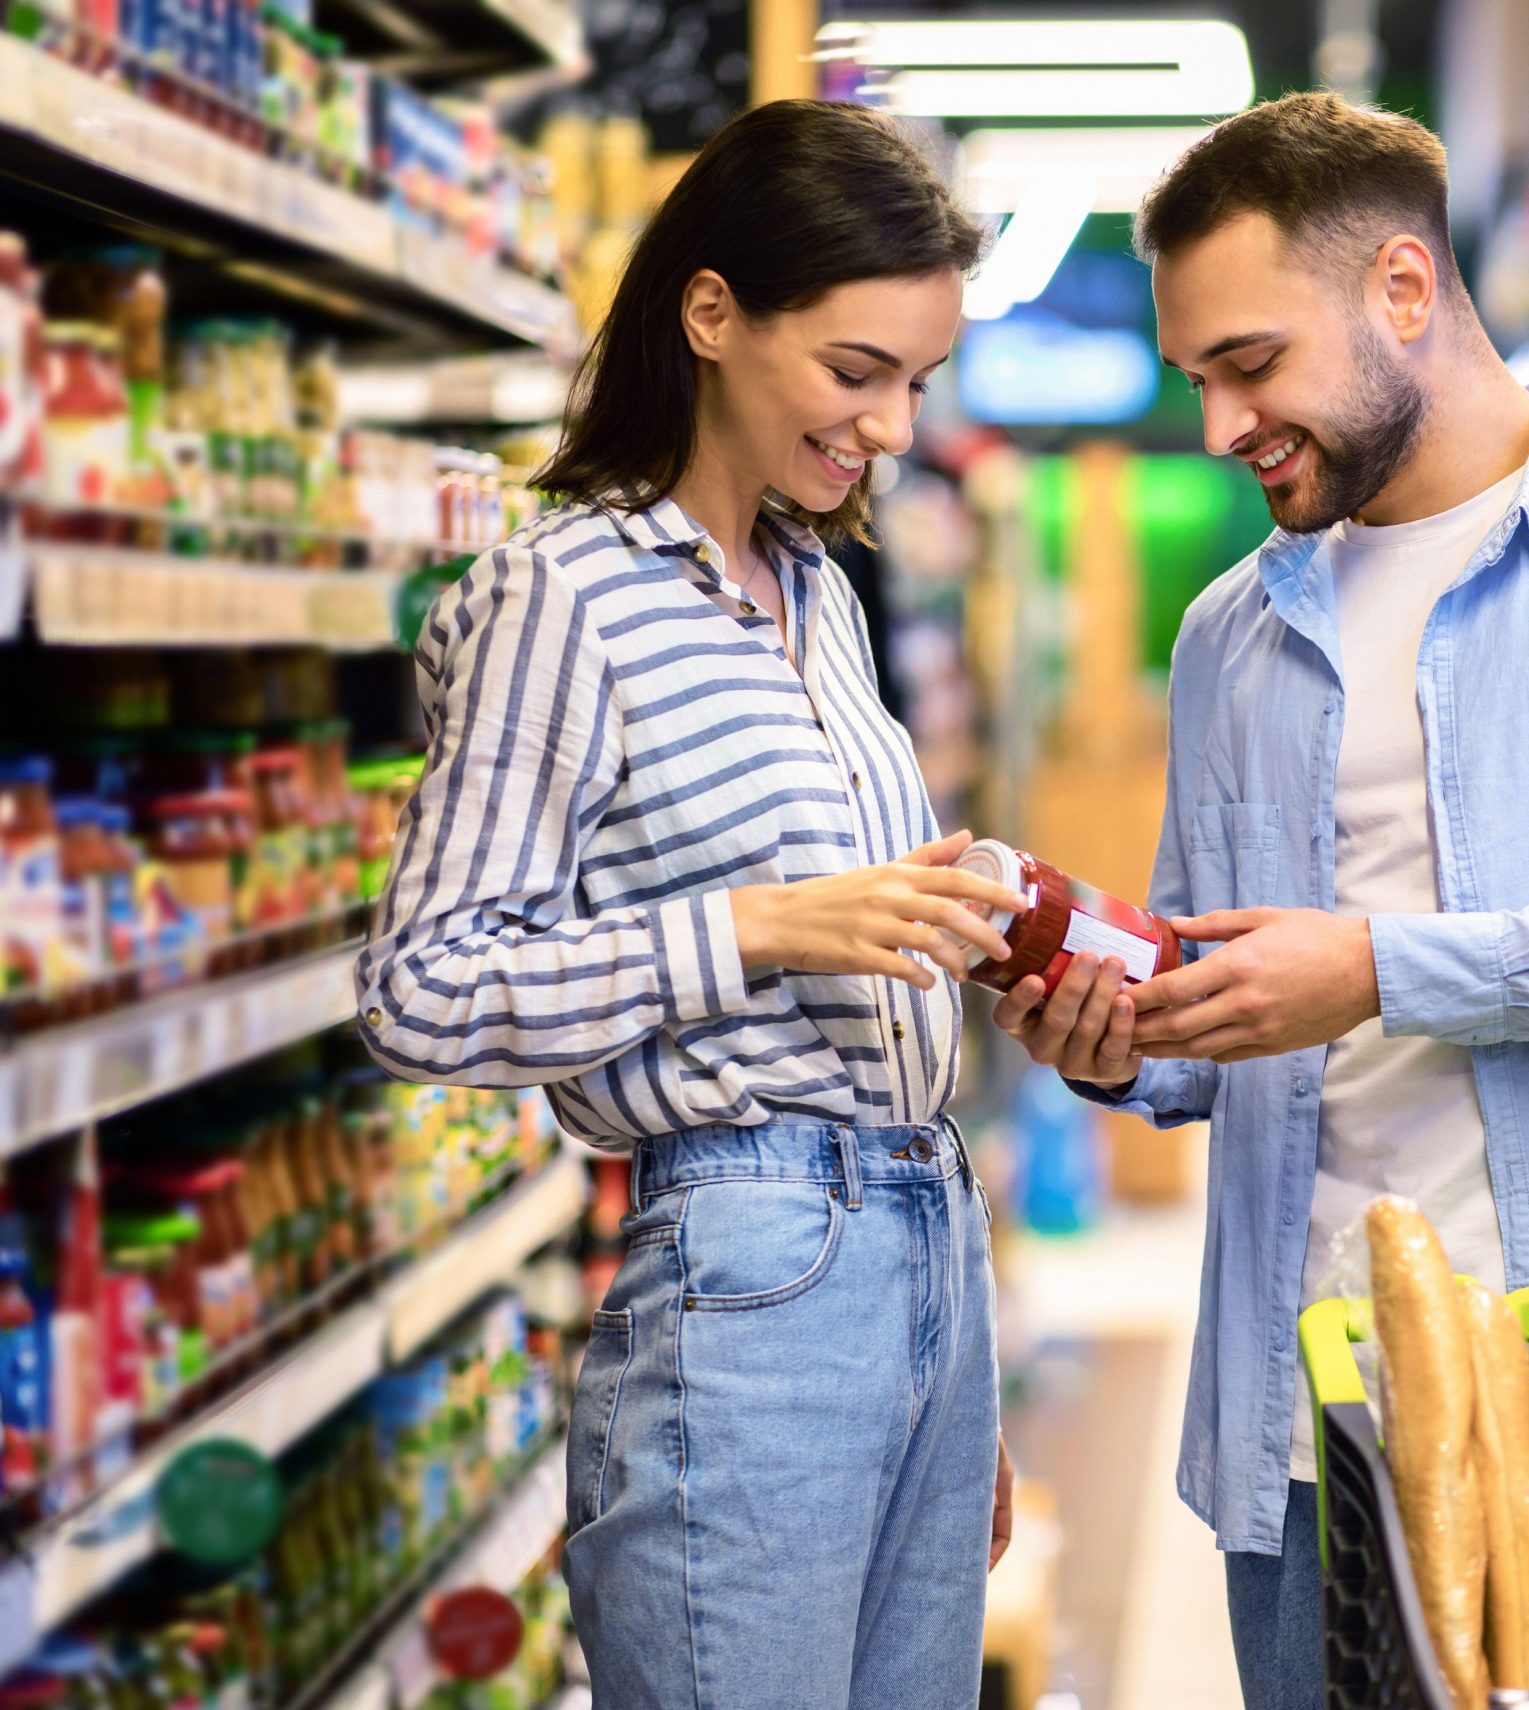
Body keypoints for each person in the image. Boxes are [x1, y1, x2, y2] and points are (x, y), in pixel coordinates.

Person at [993, 92, 1529, 1709]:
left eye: (1251, 365)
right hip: (1312, 1422)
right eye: (1198, 379)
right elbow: (1219, 1033)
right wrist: (1116, 1033)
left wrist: (1389, 968)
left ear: (1405, 290)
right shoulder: (1230, 639)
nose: (1220, 427)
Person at [356, 100, 1026, 1710]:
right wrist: (762, 923)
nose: (887, 428)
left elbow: (849, 934)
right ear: (710, 313)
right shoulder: (558, 593)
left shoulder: (821, 601)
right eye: (855, 372)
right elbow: (421, 986)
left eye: (916, 385)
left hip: (924, 1247)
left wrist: (977, 928)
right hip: (749, 1268)